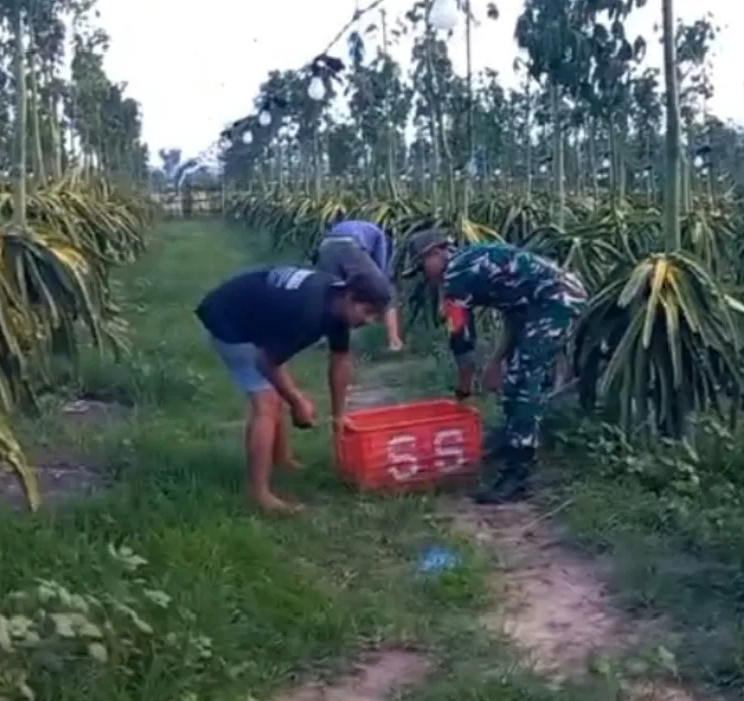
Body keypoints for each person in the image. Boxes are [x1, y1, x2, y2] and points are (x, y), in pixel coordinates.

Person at [405, 230, 587, 504]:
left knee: (525, 381)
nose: (424, 274)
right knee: (514, 377)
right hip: (540, 302)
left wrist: (463, 393)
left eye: (422, 265)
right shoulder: (470, 261)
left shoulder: (457, 275)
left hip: (556, 301)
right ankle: (510, 439)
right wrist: (495, 362)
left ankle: (519, 473)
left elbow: (463, 344)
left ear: (438, 252)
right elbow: (515, 313)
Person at [196, 265, 391, 512]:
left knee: (277, 392)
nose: (369, 321)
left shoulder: (336, 301)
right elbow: (266, 363)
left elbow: (340, 360)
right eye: (368, 312)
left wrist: (338, 416)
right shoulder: (309, 313)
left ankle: (282, 460)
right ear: (350, 296)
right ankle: (259, 493)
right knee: (266, 402)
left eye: (375, 316)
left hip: (255, 317)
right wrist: (297, 401)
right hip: (226, 318)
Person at [314, 217, 404, 351]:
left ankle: (325, 336)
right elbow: (382, 268)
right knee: (386, 289)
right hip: (350, 246)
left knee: (335, 294)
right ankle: (394, 340)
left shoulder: (359, 227)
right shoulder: (380, 235)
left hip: (325, 246)